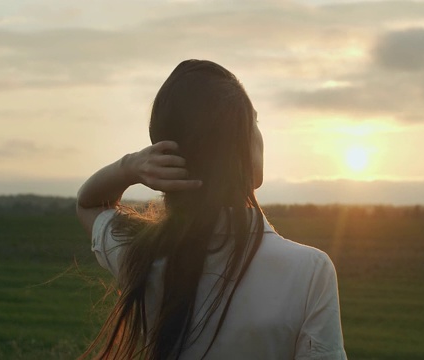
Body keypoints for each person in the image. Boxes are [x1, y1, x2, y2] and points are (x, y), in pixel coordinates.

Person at [76, 60, 347, 359]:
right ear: (241, 146)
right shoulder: (309, 272)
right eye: (253, 122)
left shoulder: (143, 256)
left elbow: (88, 202)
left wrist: (131, 166)